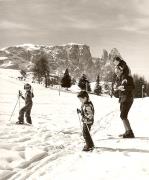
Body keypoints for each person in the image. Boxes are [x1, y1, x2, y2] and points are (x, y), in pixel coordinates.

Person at [114, 66, 135, 138]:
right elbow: (116, 92)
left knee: (123, 115)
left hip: (128, 99)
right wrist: (116, 90)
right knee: (123, 116)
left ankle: (130, 132)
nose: (116, 74)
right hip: (122, 99)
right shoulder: (117, 79)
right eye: (115, 72)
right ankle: (127, 131)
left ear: (121, 71)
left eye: (117, 72)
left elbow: (132, 87)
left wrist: (124, 88)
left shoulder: (128, 77)